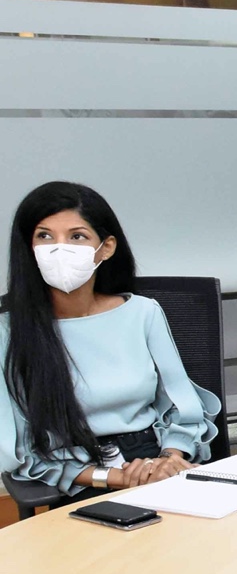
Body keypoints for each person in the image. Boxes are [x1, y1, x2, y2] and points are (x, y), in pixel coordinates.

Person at [0, 181, 219, 496]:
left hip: (153, 456)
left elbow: (182, 405)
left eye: (77, 236)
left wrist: (169, 459)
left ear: (106, 247)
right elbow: (22, 450)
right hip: (78, 475)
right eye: (44, 236)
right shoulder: (9, 331)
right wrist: (119, 478)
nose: (59, 249)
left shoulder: (142, 312)